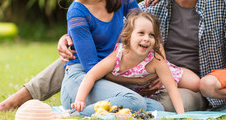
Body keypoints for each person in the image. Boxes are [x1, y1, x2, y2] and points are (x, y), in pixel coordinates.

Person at [0, 0, 226, 113]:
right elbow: (93, 65)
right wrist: (68, 36)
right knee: (71, 59)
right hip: (111, 71)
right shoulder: (82, 12)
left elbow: (143, 21)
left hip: (139, 73)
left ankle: (108, 102)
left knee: (168, 103)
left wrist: (157, 69)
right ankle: (15, 102)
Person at [58, 0, 164, 116]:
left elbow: (146, 29)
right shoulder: (77, 13)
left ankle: (100, 108)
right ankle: (75, 112)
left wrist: (161, 70)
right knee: (135, 102)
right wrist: (135, 81)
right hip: (83, 79)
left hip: (109, 76)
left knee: (157, 108)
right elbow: (91, 67)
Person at [73, 12, 201, 114]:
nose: (146, 38)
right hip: (138, 92)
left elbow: (172, 88)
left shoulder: (156, 60)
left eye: (151, 35)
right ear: (128, 36)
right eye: (141, 33)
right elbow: (92, 75)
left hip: (167, 75)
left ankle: (198, 91)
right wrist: (80, 100)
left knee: (195, 83)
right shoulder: (118, 56)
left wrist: (181, 114)